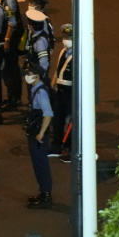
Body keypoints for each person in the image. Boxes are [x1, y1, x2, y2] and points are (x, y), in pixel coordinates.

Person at [24, 63, 53, 209]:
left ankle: (46, 195)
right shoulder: (36, 89)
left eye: (29, 74)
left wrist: (41, 133)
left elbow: (48, 114)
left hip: (38, 134)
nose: (27, 76)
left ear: (37, 76)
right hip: (35, 132)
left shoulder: (40, 92)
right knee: (38, 164)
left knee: (41, 164)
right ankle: (43, 192)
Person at [50, 24, 73, 163]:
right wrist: (53, 84)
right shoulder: (63, 51)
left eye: (68, 37)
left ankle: (69, 148)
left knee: (71, 121)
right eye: (64, 37)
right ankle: (57, 145)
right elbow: (57, 70)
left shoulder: (79, 55)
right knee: (57, 119)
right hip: (60, 90)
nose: (65, 40)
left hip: (70, 92)